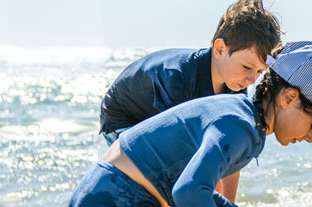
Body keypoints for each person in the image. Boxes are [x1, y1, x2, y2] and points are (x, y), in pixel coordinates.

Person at [70, 41, 312, 207]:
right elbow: (189, 192)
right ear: (289, 97)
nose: (310, 138)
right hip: (116, 196)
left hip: (115, 191)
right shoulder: (240, 127)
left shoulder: (244, 119)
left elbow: (200, 189)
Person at [98, 0, 280, 201]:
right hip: (125, 118)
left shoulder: (235, 86)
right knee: (170, 183)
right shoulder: (178, 78)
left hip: (161, 121)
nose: (252, 79)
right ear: (219, 49)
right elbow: (176, 155)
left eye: (260, 72)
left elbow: (228, 152)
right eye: (247, 67)